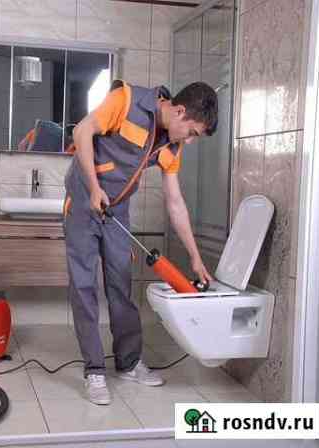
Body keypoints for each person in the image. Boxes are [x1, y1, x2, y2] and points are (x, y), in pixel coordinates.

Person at [62, 80, 218, 405]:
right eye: (192, 132)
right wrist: (93, 188)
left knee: (121, 282)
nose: (189, 141)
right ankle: (94, 370)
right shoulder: (126, 100)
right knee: (84, 285)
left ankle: (129, 363)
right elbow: (82, 131)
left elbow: (175, 202)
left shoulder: (171, 146)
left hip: (116, 208)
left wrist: (195, 257)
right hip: (84, 200)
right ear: (179, 111)